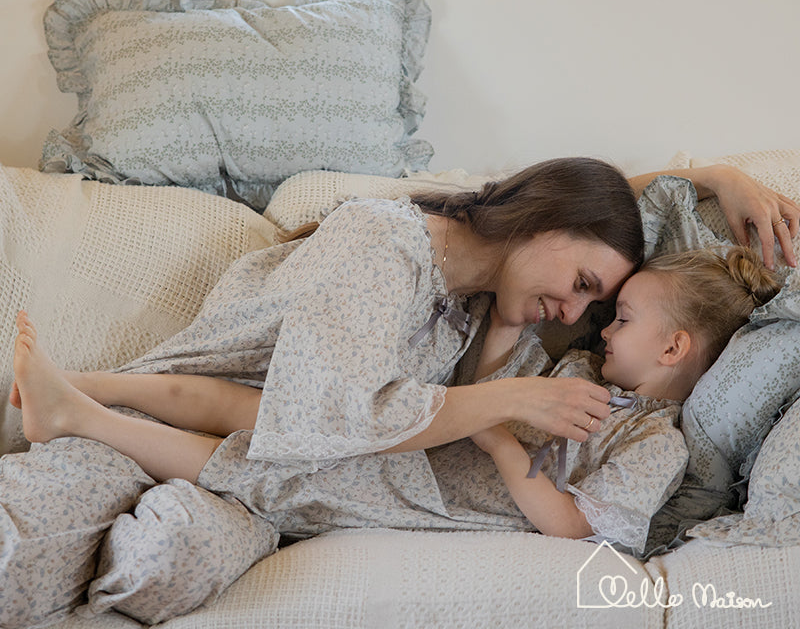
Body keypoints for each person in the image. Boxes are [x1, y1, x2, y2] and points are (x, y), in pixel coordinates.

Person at [2, 157, 799, 626]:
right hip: (212, 422)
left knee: (166, 556)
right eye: (587, 290)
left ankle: (69, 404)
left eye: (599, 311)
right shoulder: (385, 243)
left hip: (270, 493)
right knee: (21, 538)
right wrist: (503, 406)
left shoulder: (502, 323)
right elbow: (322, 418)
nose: (581, 318)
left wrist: (709, 175)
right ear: (543, 221)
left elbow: (625, 239)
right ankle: (69, 406)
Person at [470, 245, 780, 554]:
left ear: (671, 349)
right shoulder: (580, 369)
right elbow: (490, 389)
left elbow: (572, 525)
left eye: (622, 319)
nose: (604, 331)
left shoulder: (658, 444)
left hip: (462, 510)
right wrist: (504, 323)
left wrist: (500, 445)